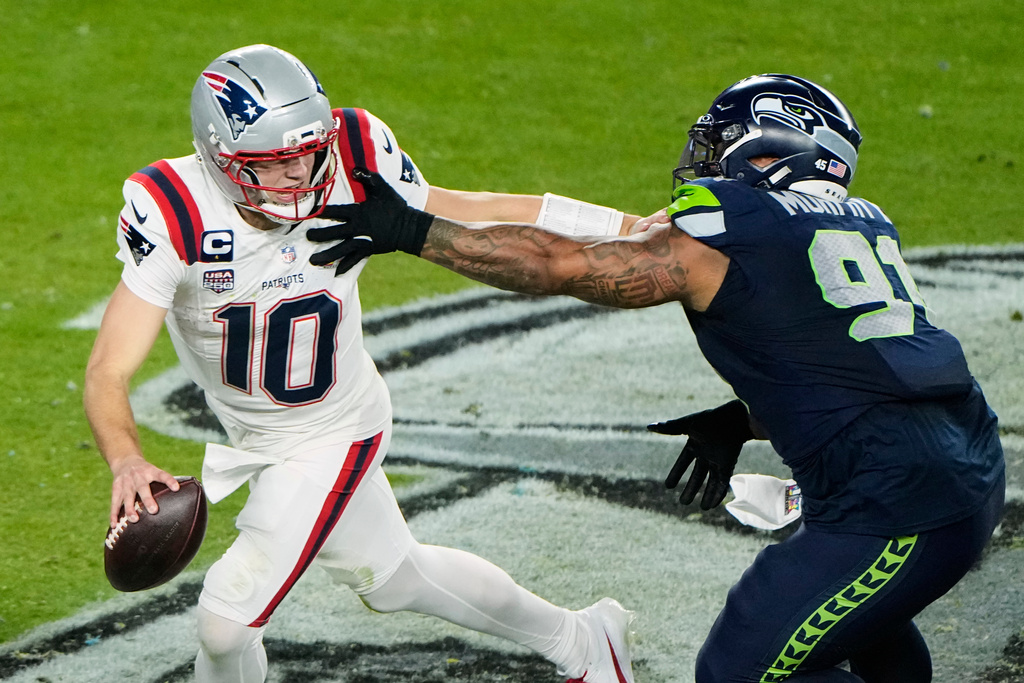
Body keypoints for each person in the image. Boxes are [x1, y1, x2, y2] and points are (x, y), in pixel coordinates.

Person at [309, 73, 1006, 682]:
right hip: (962, 466)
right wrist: (746, 418)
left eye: (725, 142)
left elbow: (557, 265)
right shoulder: (863, 223)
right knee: (857, 624)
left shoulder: (735, 221)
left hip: (893, 499)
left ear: (773, 147)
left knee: (737, 670)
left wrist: (415, 231)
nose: (706, 160)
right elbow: (844, 355)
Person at [83, 44, 639, 683]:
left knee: (226, 621)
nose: (299, 173)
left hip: (336, 428)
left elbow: (476, 209)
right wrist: (126, 458)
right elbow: (108, 368)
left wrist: (629, 229)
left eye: (307, 152)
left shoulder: (354, 154)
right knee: (397, 577)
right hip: (259, 431)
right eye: (275, 161)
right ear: (220, 158)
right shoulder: (174, 209)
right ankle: (585, 638)